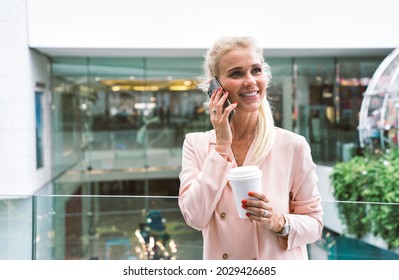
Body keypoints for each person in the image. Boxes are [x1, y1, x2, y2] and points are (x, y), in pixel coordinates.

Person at [178, 36, 324, 260]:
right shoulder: (196, 145)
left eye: (256, 70)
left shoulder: (293, 145)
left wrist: (279, 222)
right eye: (236, 73)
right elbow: (195, 217)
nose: (250, 81)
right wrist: (222, 146)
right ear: (215, 87)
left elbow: (315, 224)